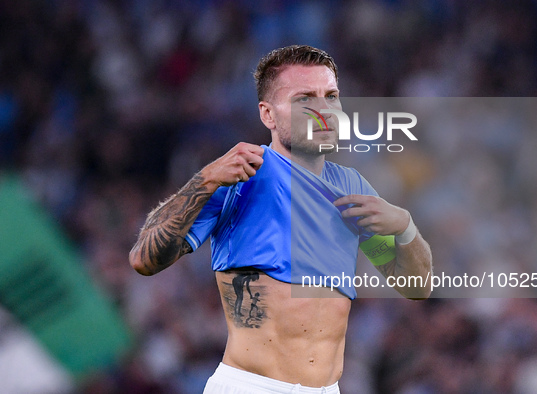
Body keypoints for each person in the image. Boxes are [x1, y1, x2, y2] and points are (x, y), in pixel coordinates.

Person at [129, 45, 433, 393]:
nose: (324, 110)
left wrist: (405, 227)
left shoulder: (352, 187)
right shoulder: (240, 173)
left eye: (331, 96)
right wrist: (205, 180)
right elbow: (144, 259)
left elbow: (416, 287)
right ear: (268, 115)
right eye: (305, 98)